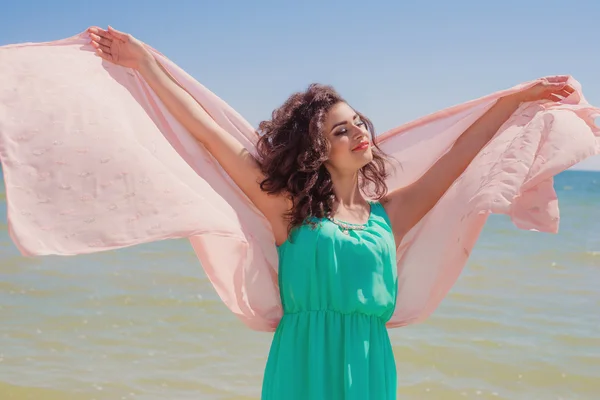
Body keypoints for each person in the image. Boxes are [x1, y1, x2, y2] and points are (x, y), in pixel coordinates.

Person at [88, 26, 575, 400]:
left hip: (369, 368)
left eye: (358, 121)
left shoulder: (391, 214)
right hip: (301, 365)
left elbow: (458, 158)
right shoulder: (288, 212)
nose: (359, 131)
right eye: (341, 130)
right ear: (317, 150)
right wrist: (147, 66)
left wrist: (513, 101)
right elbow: (211, 139)